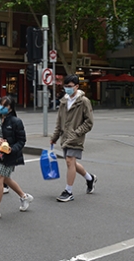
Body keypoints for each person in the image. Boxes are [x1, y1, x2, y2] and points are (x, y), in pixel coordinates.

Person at [0, 96, 34, 220]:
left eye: (5, 106)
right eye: (1, 105)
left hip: (9, 155)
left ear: (10, 108)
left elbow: (21, 141)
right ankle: (24, 197)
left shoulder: (16, 122)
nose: (1, 108)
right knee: (5, 179)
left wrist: (12, 149)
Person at [50, 74, 96, 203]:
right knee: (72, 163)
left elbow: (89, 122)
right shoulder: (64, 101)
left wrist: (76, 133)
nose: (67, 89)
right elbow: (59, 122)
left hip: (76, 137)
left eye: (69, 86)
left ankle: (68, 191)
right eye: (65, 86)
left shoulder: (84, 101)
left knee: (70, 161)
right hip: (65, 137)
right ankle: (89, 178)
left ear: (76, 86)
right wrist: (54, 137)